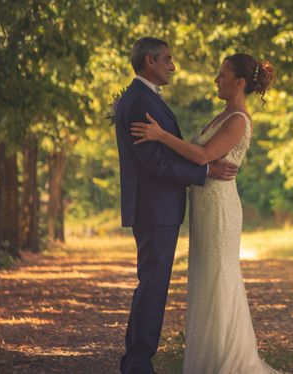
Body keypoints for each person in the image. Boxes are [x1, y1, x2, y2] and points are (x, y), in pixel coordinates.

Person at [131, 53, 279, 374]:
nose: (216, 79)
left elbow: (201, 156)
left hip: (220, 208)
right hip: (204, 206)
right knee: (204, 278)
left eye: (222, 74)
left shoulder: (238, 119)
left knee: (219, 278)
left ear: (239, 83)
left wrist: (161, 136)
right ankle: (207, 358)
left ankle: (226, 360)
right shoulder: (221, 116)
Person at [114, 37, 238, 374]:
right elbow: (154, 161)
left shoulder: (143, 97)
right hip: (154, 209)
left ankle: (137, 359)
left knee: (153, 283)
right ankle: (138, 362)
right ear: (150, 61)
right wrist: (205, 170)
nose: (173, 65)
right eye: (168, 59)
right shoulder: (140, 100)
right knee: (153, 284)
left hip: (157, 208)